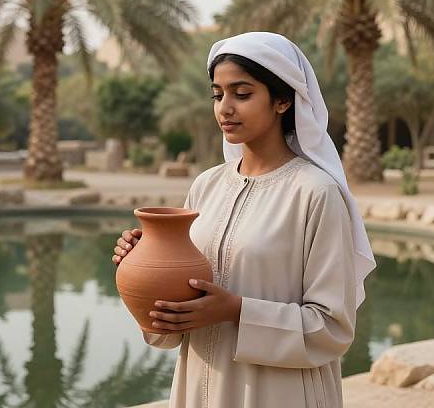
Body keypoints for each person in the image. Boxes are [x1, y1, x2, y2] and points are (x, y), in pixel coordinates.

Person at [112, 32, 376, 408]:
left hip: (279, 394)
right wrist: (142, 269)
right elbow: (170, 326)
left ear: (283, 100)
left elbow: (332, 329)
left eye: (242, 93)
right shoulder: (207, 186)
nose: (225, 108)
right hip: (199, 388)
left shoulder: (316, 193)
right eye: (218, 94)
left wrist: (237, 311)